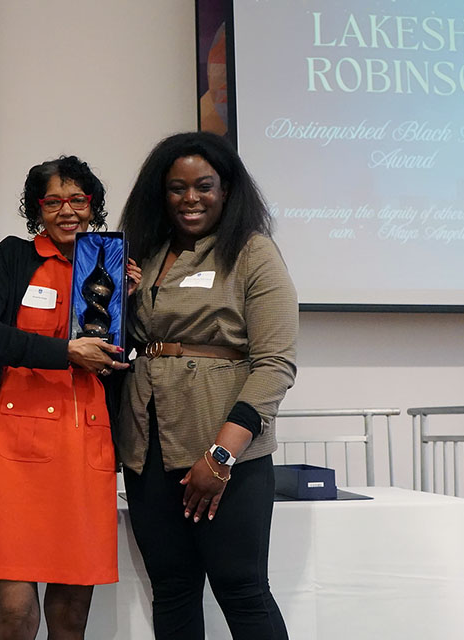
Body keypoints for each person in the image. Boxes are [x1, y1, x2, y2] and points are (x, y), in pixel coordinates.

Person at [0, 155, 141, 640]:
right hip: (13, 448)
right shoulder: (15, 257)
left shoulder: (111, 266)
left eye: (78, 199)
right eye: (53, 201)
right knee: (14, 613)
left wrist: (131, 304)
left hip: (85, 447)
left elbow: (125, 359)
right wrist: (64, 352)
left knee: (72, 611)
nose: (67, 211)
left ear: (93, 205)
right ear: (37, 210)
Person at [117, 131, 297, 640]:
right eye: (176, 188)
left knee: (240, 588)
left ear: (227, 189)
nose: (190, 199)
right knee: (172, 588)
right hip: (147, 448)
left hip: (224, 450)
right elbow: (127, 345)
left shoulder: (253, 253)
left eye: (203, 186)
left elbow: (275, 365)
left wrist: (220, 456)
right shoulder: (147, 255)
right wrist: (123, 302)